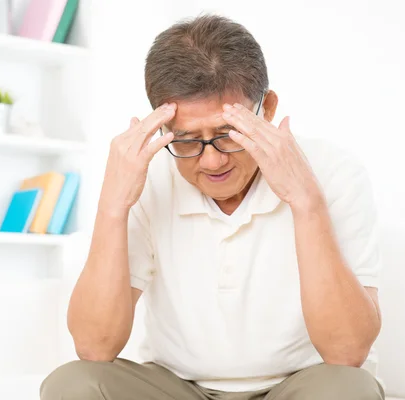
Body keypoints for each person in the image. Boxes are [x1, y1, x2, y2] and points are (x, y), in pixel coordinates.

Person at [41, 14, 385, 400]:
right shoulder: (149, 178)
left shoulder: (335, 172)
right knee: (72, 384)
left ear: (266, 108)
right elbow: (94, 347)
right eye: (187, 140)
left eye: (227, 135)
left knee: (349, 390)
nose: (211, 162)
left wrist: (305, 202)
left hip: (298, 386)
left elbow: (347, 352)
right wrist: (112, 207)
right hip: (178, 387)